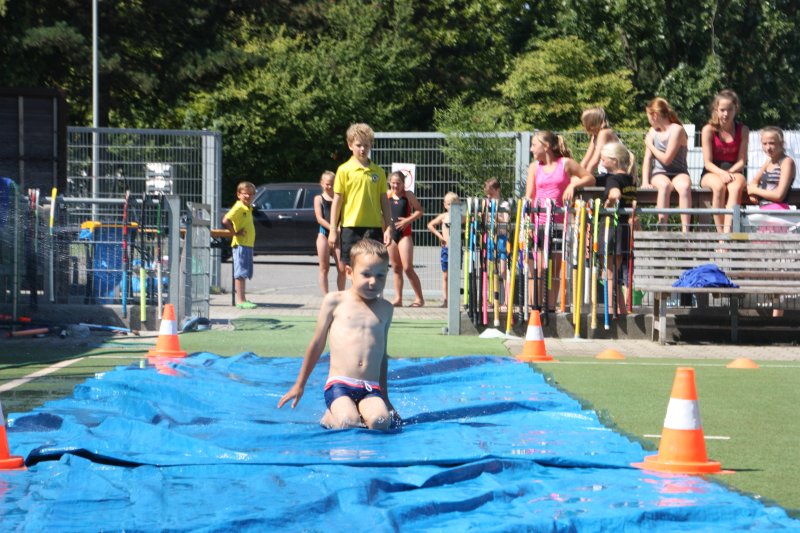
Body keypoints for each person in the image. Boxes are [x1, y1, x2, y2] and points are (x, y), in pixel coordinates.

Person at [277, 239, 396, 430]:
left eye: (380, 276)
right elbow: (317, 344)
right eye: (366, 274)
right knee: (349, 422)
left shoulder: (386, 309)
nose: (373, 282)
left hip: (370, 387)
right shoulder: (335, 301)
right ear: (349, 272)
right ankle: (331, 416)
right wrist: (300, 384)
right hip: (340, 384)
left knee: (381, 422)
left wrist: (385, 398)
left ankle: (359, 411)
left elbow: (382, 356)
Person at [525, 130, 595, 310]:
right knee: (538, 268)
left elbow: (590, 178)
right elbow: (529, 196)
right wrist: (528, 224)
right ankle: (535, 307)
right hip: (538, 224)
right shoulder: (534, 167)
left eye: (534, 145)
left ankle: (550, 307)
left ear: (546, 146)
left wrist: (573, 184)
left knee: (554, 269)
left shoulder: (565, 164)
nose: (531, 149)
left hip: (558, 224)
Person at [328, 123, 392, 269]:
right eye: (358, 145)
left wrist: (388, 227)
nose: (362, 149)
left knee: (373, 266)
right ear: (350, 145)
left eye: (366, 145)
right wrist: (333, 229)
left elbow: (384, 202)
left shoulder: (379, 172)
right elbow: (337, 202)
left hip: (373, 227)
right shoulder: (343, 170)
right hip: (350, 227)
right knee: (350, 268)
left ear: (371, 146)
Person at [700, 90, 749, 233]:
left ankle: (728, 233)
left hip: (734, 170)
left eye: (730, 110)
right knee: (719, 187)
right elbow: (707, 163)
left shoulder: (743, 130)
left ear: (736, 109)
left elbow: (742, 161)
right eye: (722, 110)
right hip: (712, 171)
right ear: (716, 109)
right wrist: (722, 174)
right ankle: (721, 235)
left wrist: (729, 172)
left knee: (735, 187)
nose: (726, 114)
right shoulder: (708, 130)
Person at [597, 142, 637, 315]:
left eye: (603, 159)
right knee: (613, 272)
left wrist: (609, 201)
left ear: (614, 161)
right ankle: (621, 309)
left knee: (608, 273)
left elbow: (615, 193)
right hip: (624, 229)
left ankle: (611, 310)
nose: (601, 162)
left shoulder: (613, 179)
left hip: (611, 229)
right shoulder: (630, 179)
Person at [642, 97, 692, 232]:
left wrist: (650, 145)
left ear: (655, 115)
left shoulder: (677, 130)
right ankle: (662, 230)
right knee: (664, 186)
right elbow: (647, 159)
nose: (648, 120)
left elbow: (666, 159)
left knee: (684, 186)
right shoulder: (652, 132)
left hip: (679, 171)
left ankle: (686, 233)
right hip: (660, 173)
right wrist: (645, 181)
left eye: (648, 116)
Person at [387, 171, 425, 307]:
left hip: (405, 235)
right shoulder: (387, 195)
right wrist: (385, 230)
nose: (395, 186)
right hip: (391, 235)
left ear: (403, 184)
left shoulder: (408, 195)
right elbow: (381, 214)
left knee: (408, 268)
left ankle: (419, 299)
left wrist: (407, 221)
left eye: (398, 183)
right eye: (393, 183)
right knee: (396, 268)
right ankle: (398, 299)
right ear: (389, 183)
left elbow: (420, 211)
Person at [222, 181, 257, 309]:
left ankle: (243, 299)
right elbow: (225, 220)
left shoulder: (247, 207)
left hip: (247, 244)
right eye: (245, 194)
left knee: (244, 272)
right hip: (240, 244)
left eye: (251, 194)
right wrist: (234, 233)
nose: (248, 196)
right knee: (240, 273)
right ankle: (240, 300)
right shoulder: (238, 207)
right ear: (239, 194)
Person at [314, 170, 345, 294]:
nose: (330, 187)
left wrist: (339, 228)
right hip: (324, 235)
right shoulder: (319, 198)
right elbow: (319, 218)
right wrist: (333, 229)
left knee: (342, 269)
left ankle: (341, 295)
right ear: (322, 183)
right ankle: (326, 296)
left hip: (338, 235)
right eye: (327, 184)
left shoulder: (340, 198)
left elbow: (344, 216)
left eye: (332, 184)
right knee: (324, 269)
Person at [427, 191, 459, 308]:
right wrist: (440, 236)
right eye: (449, 204)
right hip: (446, 248)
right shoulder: (444, 216)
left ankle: (454, 301)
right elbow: (430, 225)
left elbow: (470, 220)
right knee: (445, 275)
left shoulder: (460, 217)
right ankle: (445, 300)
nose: (451, 207)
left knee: (454, 276)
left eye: (454, 204)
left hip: (456, 249)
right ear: (445, 205)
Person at [484, 178, 510, 309]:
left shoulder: (504, 204)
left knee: (503, 270)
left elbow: (506, 221)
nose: (489, 196)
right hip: (490, 238)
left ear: (497, 190)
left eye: (491, 193)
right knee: (490, 270)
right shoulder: (486, 204)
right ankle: (491, 299)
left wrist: (495, 215)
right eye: (487, 193)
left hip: (502, 238)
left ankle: (507, 300)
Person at [580, 107, 622, 175]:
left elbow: (595, 160)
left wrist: (585, 177)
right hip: (606, 172)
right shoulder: (595, 135)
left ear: (590, 123)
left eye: (584, 123)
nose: (583, 126)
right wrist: (576, 175)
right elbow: (586, 159)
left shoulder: (604, 133)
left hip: (616, 173)